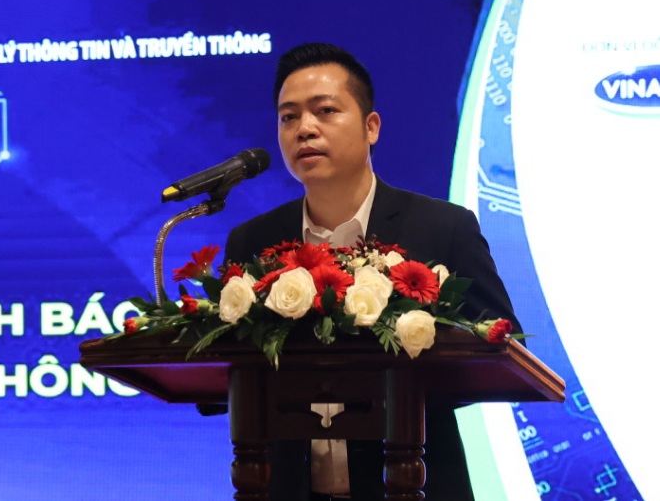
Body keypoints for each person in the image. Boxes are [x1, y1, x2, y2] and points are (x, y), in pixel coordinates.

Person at [222, 42, 522, 501]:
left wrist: (401, 388)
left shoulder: (442, 228)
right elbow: (227, 375)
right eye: (288, 117)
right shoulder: (253, 242)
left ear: (371, 127)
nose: (305, 128)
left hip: (413, 483)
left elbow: (504, 346)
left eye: (325, 111)